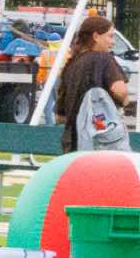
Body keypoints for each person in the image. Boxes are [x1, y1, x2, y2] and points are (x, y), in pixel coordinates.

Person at [51, 15, 128, 154]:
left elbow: (60, 117)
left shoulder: (71, 65)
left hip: (72, 144)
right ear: (96, 36)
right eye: (110, 36)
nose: (113, 42)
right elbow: (120, 91)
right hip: (100, 143)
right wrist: (125, 100)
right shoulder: (104, 59)